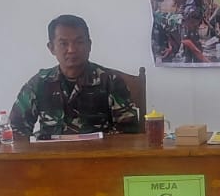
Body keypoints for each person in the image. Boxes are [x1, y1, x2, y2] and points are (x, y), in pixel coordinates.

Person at [9, 14, 142, 138]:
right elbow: (16, 130)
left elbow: (128, 133)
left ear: (89, 45)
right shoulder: (38, 83)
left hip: (98, 154)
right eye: (63, 43)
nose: (72, 50)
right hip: (51, 154)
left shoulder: (110, 81)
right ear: (51, 48)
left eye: (79, 42)